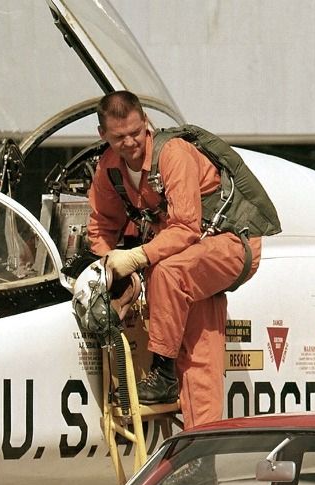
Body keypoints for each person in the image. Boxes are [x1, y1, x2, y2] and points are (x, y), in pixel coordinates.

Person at [87, 91, 261, 428]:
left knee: (167, 273)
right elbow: (102, 227)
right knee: (200, 357)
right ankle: (200, 463)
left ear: (146, 124)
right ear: (102, 135)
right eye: (119, 137)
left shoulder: (173, 154)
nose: (131, 142)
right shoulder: (108, 170)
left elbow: (185, 227)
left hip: (231, 244)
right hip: (193, 259)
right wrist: (108, 272)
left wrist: (136, 257)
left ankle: (162, 373)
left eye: (136, 132)